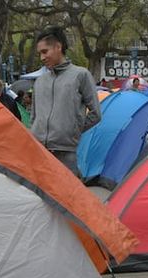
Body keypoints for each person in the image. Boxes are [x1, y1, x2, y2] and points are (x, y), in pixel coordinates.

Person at [30, 25, 101, 177]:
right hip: (39, 151)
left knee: (68, 192)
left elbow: (96, 113)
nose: (42, 58)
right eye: (39, 53)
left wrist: (73, 130)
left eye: (45, 51)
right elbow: (34, 116)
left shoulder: (80, 75)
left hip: (66, 153)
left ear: (58, 47)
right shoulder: (40, 81)